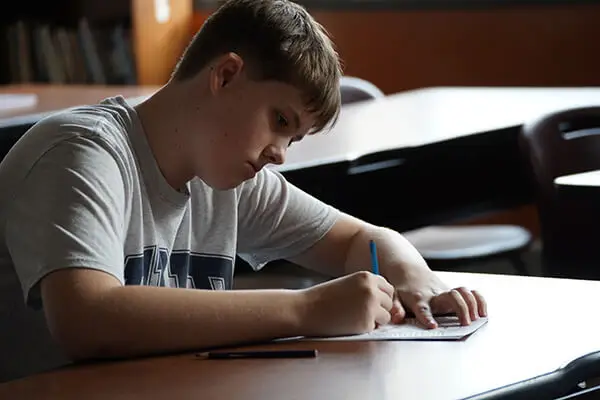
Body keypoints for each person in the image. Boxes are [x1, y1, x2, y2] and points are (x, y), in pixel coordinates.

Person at [0, 0, 486, 367]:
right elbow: (87, 319)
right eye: (279, 119)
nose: (279, 153)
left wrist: (420, 285)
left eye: (292, 138)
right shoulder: (81, 153)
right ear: (227, 75)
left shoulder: (227, 180)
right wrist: (306, 309)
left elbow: (366, 239)